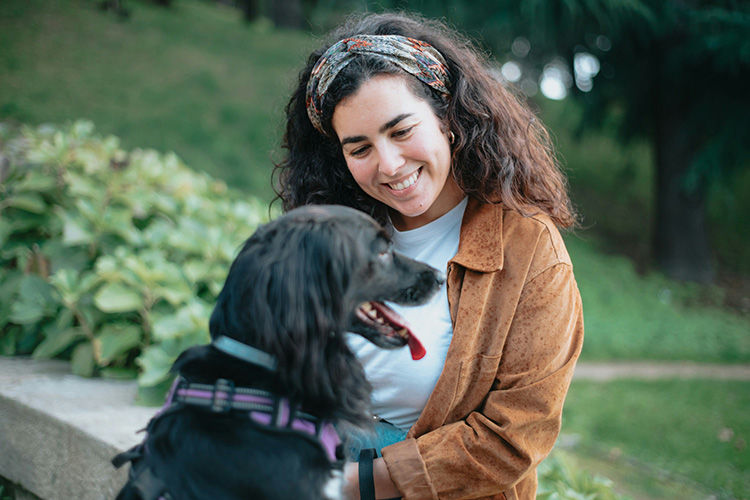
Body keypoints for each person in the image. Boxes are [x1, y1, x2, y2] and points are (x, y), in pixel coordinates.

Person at [273, 11, 584, 500]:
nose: (389, 165)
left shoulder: (529, 249)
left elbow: (513, 437)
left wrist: (354, 486)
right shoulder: (329, 234)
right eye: (360, 149)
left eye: (400, 131)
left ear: (447, 115)